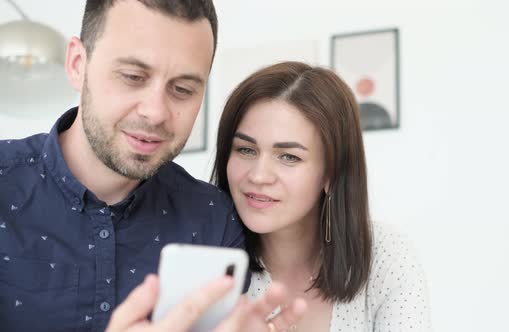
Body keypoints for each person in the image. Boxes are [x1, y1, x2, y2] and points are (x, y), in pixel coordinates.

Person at [0, 1, 303, 331]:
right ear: (77, 64)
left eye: (183, 89)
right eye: (133, 77)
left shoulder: (214, 220)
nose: (156, 111)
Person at [211, 61, 432, 331]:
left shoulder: (387, 258)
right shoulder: (209, 262)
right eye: (246, 150)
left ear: (331, 172)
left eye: (289, 156)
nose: (258, 175)